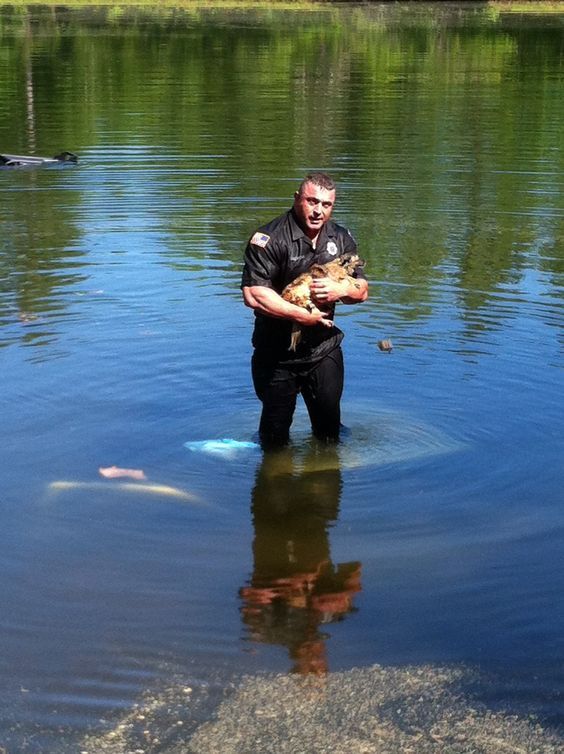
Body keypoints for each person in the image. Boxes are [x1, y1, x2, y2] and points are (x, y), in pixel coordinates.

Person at [242, 172, 368, 448]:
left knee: (329, 435)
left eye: (326, 205)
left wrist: (342, 291)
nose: (318, 211)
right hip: (276, 353)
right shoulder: (268, 238)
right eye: (312, 202)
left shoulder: (341, 238)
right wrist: (300, 315)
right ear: (297, 199)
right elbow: (254, 295)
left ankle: (323, 479)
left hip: (323, 349)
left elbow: (362, 290)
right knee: (273, 442)